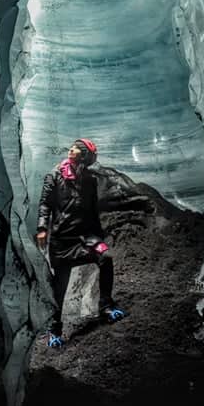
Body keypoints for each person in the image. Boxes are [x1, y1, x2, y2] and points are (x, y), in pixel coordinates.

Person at [36, 138, 125, 348]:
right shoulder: (54, 175)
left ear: (84, 155)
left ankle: (105, 307)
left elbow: (93, 211)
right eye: (72, 147)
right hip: (62, 241)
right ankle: (54, 330)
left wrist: (98, 237)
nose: (71, 150)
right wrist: (42, 228)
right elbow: (45, 205)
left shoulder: (89, 180)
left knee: (106, 257)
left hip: (85, 238)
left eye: (76, 148)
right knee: (60, 287)